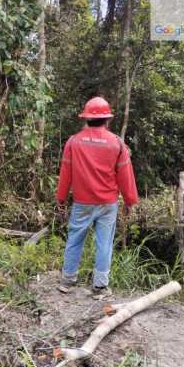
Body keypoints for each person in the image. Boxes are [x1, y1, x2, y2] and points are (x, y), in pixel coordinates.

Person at [55, 97, 139, 297]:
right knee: (104, 243)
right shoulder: (117, 144)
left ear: (86, 119)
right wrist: (130, 201)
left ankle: (67, 281)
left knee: (74, 239)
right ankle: (100, 287)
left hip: (82, 202)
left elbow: (65, 173)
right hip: (107, 204)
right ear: (107, 120)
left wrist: (61, 198)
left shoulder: (74, 142)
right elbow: (125, 176)